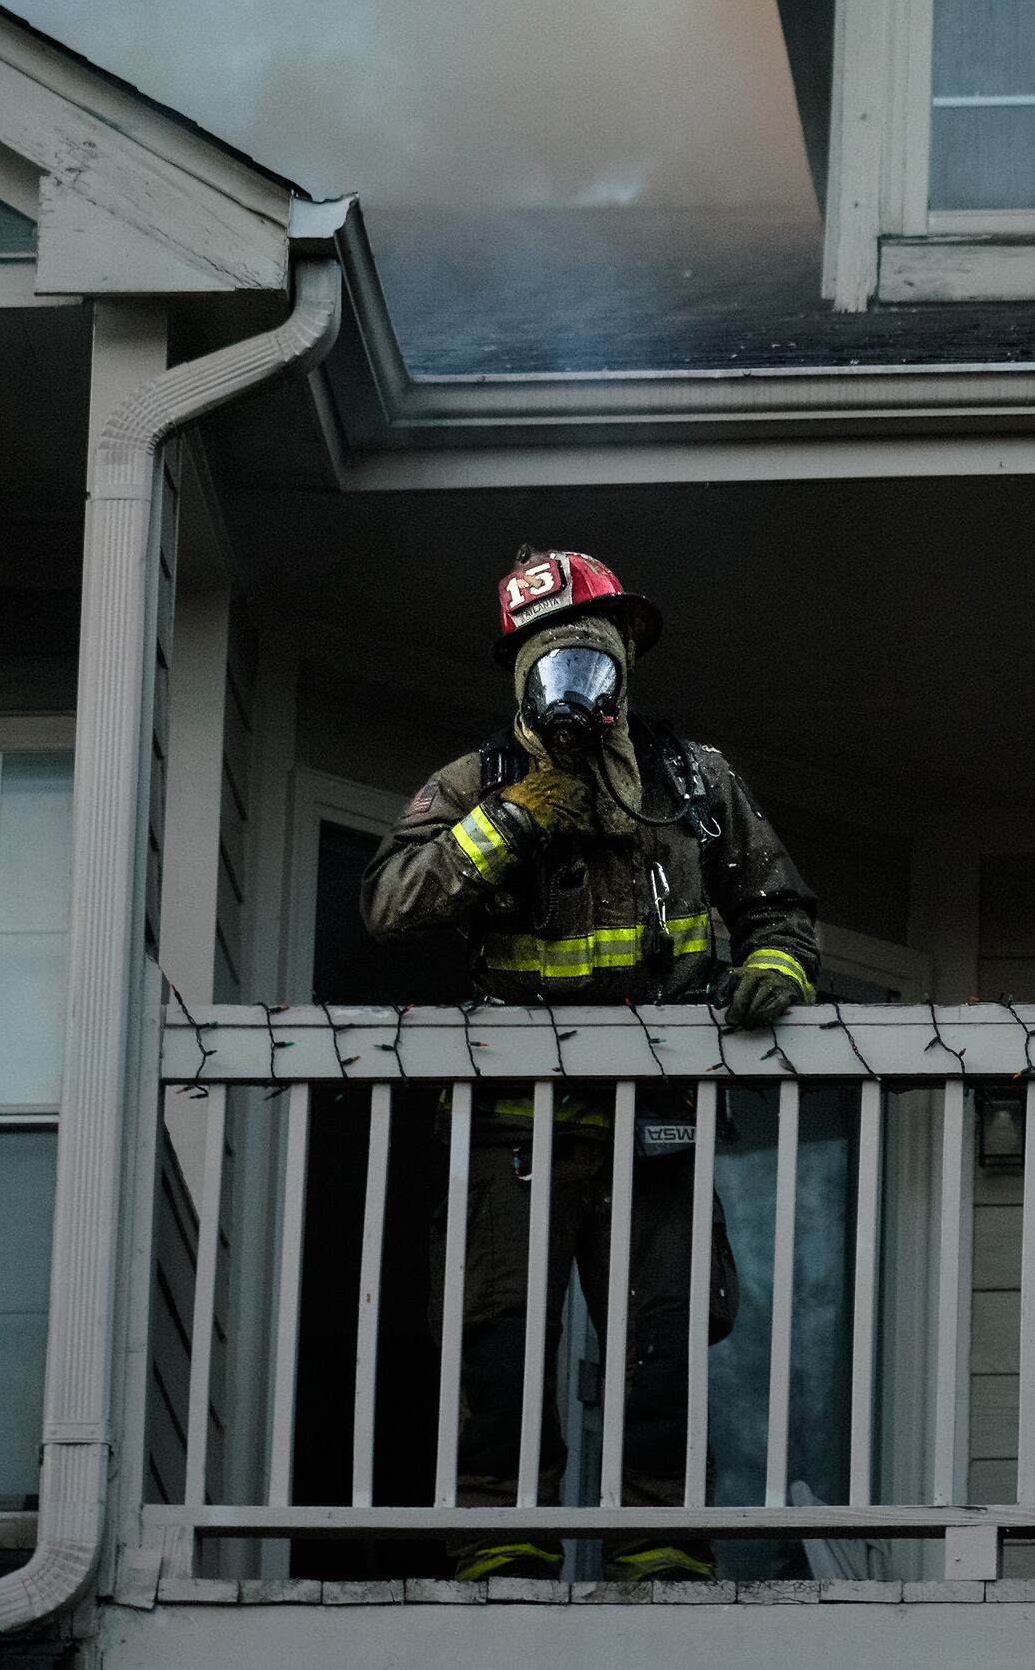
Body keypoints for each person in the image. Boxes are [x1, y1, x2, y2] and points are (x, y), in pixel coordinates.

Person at [359, 547, 819, 1583]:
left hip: (655, 1120)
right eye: (552, 667)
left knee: (662, 1341)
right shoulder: (474, 785)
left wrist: (778, 965)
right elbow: (389, 902)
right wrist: (512, 822)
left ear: (624, 666)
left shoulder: (695, 783)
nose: (576, 690)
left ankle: (658, 1539)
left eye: (592, 664)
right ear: (519, 676)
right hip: (514, 1127)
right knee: (499, 1342)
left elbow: (780, 904)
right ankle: (503, 1539)